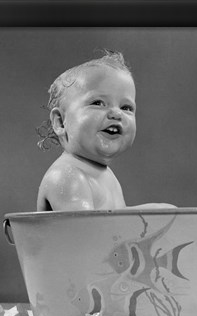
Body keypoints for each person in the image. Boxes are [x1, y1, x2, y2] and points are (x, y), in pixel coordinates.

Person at [36, 50, 175, 212]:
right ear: (60, 121)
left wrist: (156, 211)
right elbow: (88, 231)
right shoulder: (68, 176)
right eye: (98, 103)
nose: (117, 113)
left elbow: (114, 220)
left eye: (126, 107)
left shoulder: (104, 175)